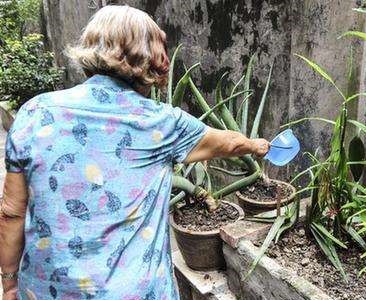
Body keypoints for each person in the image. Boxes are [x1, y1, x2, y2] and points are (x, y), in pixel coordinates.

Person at [0, 5, 270, 300]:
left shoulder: (35, 112)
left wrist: (10, 281)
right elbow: (229, 143)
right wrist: (256, 145)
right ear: (152, 57)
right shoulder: (161, 123)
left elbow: (12, 213)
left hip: (44, 290)